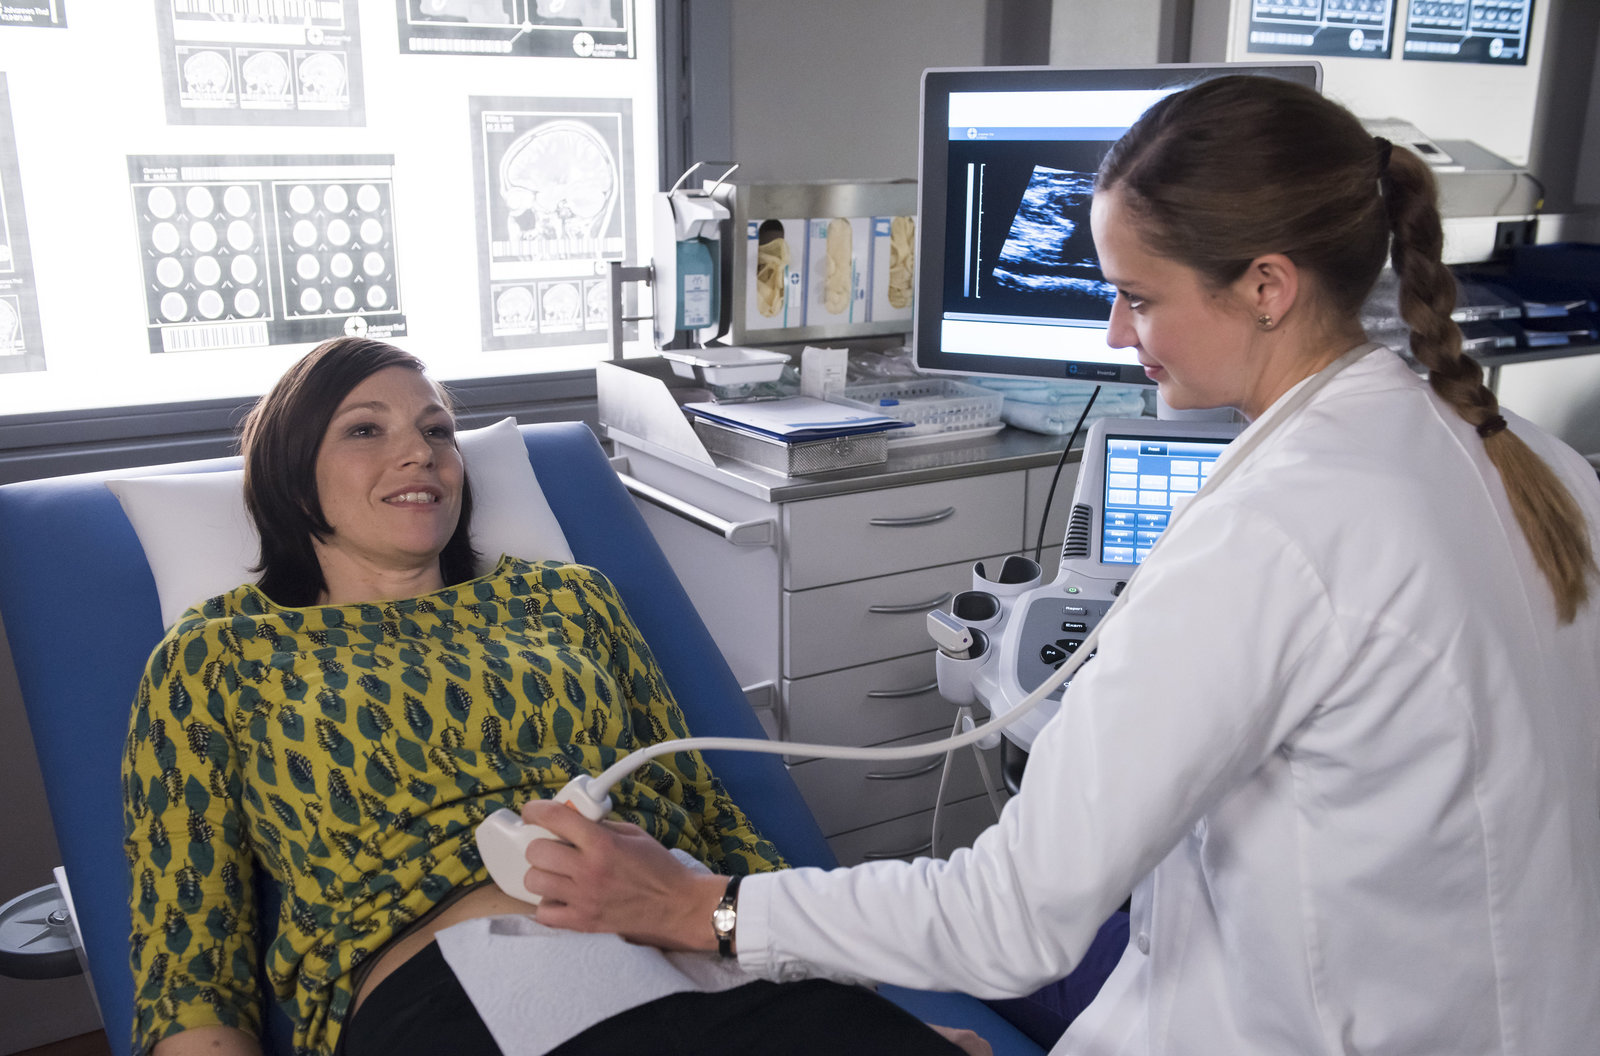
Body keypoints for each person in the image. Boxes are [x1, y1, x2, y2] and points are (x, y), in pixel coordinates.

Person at [517, 75, 1600, 1054]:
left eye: (1141, 296)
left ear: (1267, 285)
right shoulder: (1535, 463)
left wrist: (695, 906)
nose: (1118, 332)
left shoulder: (1272, 532)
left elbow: (1010, 921)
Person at [122, 337, 985, 1056]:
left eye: (437, 430)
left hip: (686, 927)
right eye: (365, 429)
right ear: (290, 473)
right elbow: (189, 950)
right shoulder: (219, 656)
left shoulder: (567, 599)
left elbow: (701, 804)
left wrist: (854, 994)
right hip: (465, 978)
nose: (420, 452)